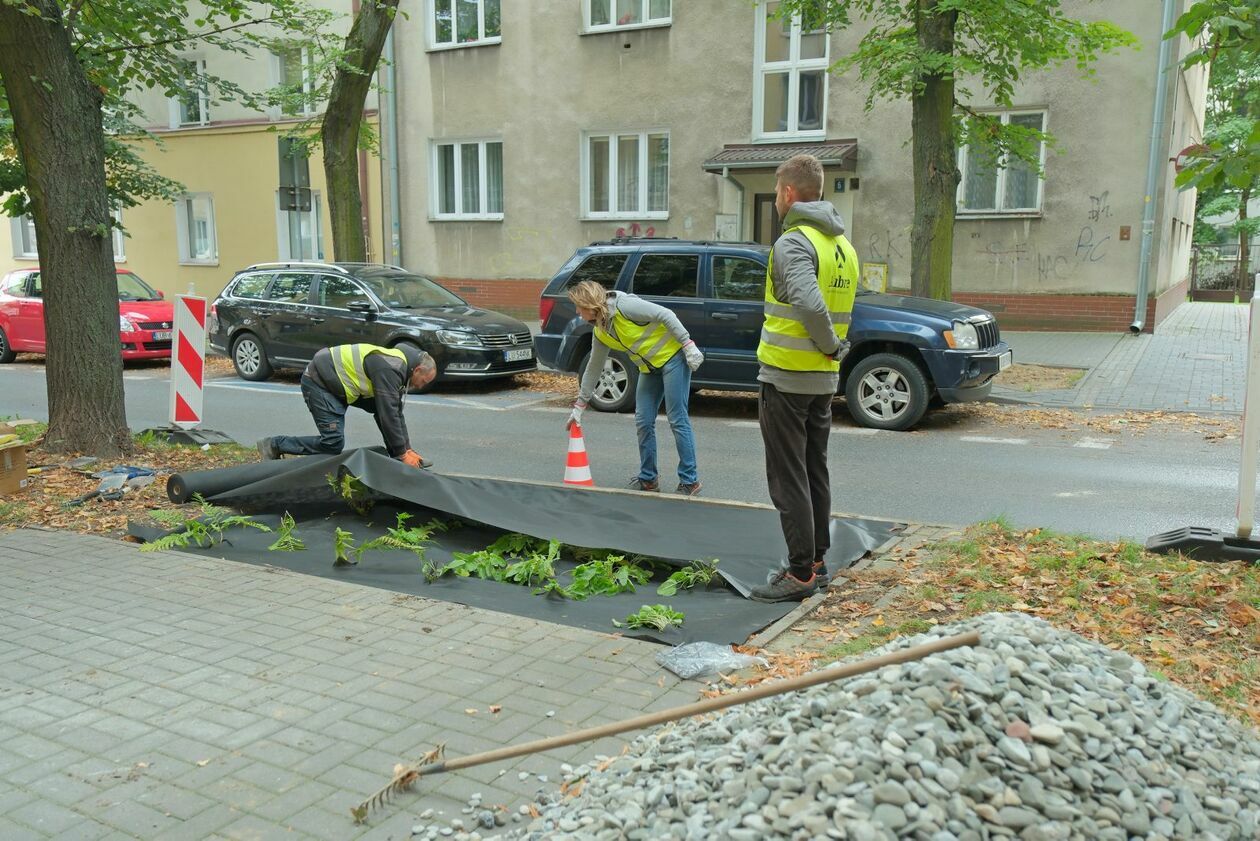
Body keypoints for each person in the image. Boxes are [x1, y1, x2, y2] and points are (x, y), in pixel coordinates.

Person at [748, 154, 859, 603]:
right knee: (815, 470)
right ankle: (816, 561)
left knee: (787, 477)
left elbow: (811, 306)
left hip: (788, 379)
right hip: (822, 381)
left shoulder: (793, 243)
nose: (777, 199)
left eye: (777, 191)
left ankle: (799, 574)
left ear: (789, 193)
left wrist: (830, 343)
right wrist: (833, 352)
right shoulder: (841, 246)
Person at [566, 280, 705, 495]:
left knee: (677, 418)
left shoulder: (624, 306)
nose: (576, 311)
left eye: (579, 306)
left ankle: (690, 481)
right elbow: (593, 367)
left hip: (673, 359)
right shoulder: (600, 332)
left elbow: (665, 314)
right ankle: (648, 478)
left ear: (590, 304)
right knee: (643, 421)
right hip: (649, 369)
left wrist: (688, 345)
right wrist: (580, 404)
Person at [257, 343, 437, 468]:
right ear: (418, 370)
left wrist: (407, 450)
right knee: (333, 443)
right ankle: (274, 444)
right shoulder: (390, 368)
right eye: (423, 381)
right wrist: (404, 454)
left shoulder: (400, 367)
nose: (422, 385)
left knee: (388, 410)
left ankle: (398, 455)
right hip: (320, 382)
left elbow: (395, 412)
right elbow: (388, 414)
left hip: (341, 384)